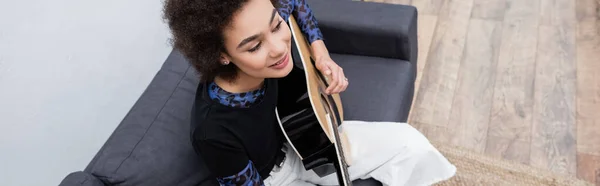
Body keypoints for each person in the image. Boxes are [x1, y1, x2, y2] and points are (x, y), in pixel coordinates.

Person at [162, 0, 457, 185]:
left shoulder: (272, 25)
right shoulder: (212, 132)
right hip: (275, 177)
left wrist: (320, 54)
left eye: (276, 25)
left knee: (411, 145)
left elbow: (296, 5)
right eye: (254, 46)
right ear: (221, 55)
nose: (279, 48)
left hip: (307, 136)